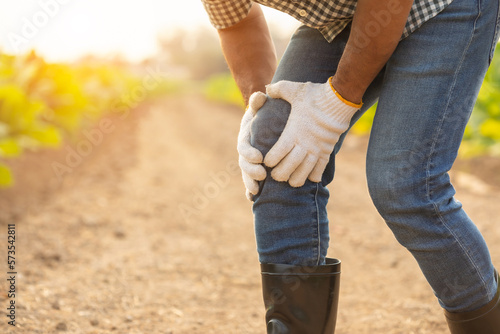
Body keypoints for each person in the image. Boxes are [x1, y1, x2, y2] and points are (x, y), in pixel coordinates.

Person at [201, 0, 500, 333]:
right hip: (346, 14)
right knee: (276, 153)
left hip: (444, 7)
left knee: (404, 185)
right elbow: (235, 21)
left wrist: (339, 101)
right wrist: (259, 113)